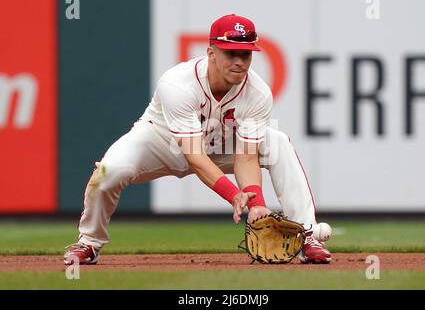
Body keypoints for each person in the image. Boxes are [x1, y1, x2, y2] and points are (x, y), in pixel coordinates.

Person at [63, 14, 331, 265]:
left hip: (219, 143)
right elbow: (193, 155)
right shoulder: (178, 83)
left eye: (246, 54)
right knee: (110, 171)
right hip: (161, 140)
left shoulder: (258, 93)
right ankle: (89, 242)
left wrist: (257, 204)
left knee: (277, 142)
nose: (239, 61)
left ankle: (307, 236)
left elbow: (247, 155)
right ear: (211, 53)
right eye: (231, 53)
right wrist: (233, 194)